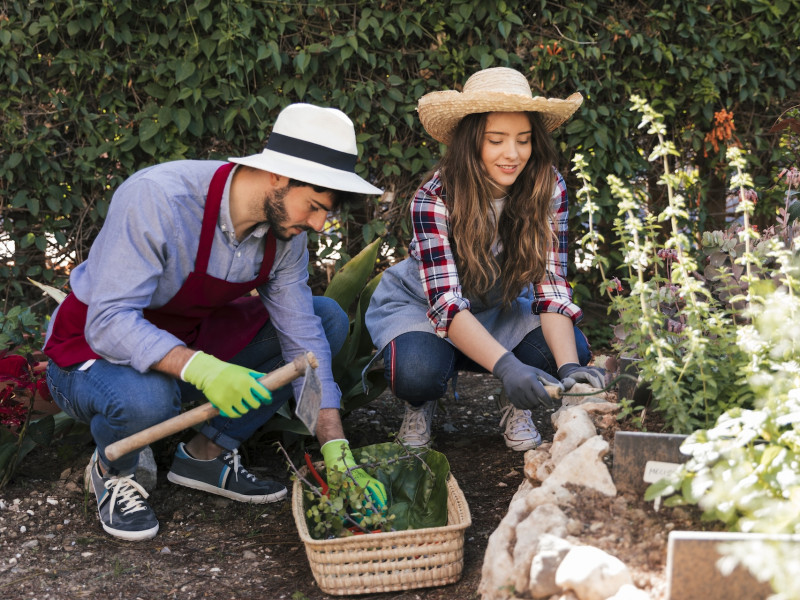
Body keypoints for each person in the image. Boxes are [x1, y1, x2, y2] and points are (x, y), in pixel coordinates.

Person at [43, 103, 387, 541]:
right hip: (89, 354)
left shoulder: (283, 234)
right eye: (315, 207)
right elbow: (108, 321)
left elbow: (304, 340)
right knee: (148, 400)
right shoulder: (159, 199)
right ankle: (115, 471)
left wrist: (336, 448)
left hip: (185, 342)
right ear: (278, 177)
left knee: (327, 319)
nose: (319, 224)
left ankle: (205, 456)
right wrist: (206, 370)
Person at [365, 67, 605, 451]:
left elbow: (551, 285)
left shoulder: (548, 186)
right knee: (415, 373)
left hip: (500, 306)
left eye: (523, 141)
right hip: (423, 308)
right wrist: (506, 366)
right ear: (472, 142)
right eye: (497, 140)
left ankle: (517, 400)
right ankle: (420, 403)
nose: (513, 154)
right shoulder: (434, 197)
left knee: (568, 348)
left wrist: (569, 370)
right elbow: (445, 303)